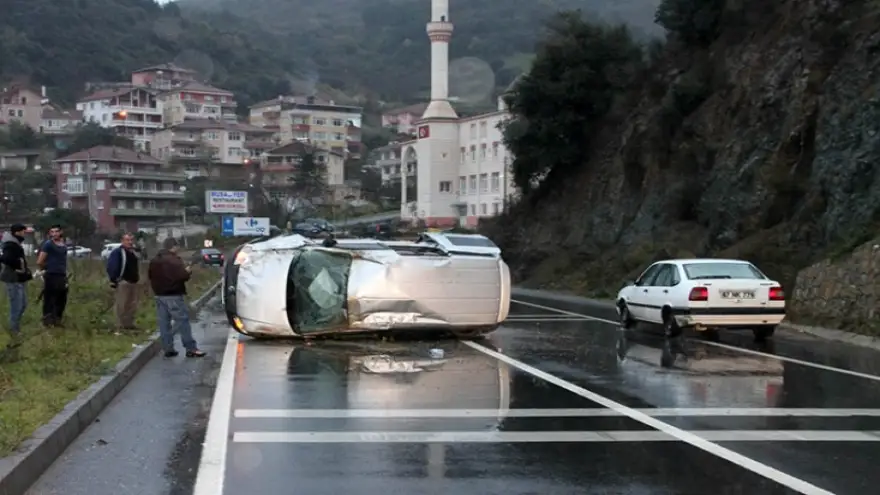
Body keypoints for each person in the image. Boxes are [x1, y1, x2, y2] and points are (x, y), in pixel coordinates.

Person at [148, 237, 205, 358]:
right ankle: (191, 348)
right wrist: (188, 271)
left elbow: (150, 276)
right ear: (174, 246)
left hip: (159, 295)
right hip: (173, 294)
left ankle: (168, 348)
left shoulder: (154, 260)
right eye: (177, 246)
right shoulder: (174, 260)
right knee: (182, 321)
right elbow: (182, 276)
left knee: (164, 323)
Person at [0, 224, 33, 336]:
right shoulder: (11, 244)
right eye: (23, 231)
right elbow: (5, 258)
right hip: (13, 278)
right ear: (17, 232)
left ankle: (15, 327)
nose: (25, 233)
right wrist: (18, 265)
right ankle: (14, 330)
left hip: (19, 279)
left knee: (23, 304)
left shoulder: (15, 243)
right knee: (16, 306)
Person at [106, 232, 140, 330]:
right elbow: (112, 266)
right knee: (122, 304)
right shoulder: (118, 252)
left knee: (132, 305)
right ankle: (120, 325)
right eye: (127, 240)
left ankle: (129, 324)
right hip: (123, 282)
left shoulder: (133, 253)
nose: (130, 242)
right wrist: (114, 279)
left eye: (131, 240)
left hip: (133, 282)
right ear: (122, 241)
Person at [36, 224, 68, 327]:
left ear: (61, 232)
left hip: (62, 275)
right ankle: (47, 320)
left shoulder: (63, 245)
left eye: (56, 231)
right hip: (51, 274)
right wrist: (45, 270)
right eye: (52, 232)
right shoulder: (48, 244)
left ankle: (57, 319)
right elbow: (40, 261)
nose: (54, 234)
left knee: (61, 298)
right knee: (50, 299)